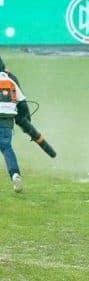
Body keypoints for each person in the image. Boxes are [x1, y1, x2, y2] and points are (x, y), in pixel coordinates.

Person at [0, 56, 28, 193]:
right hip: (6, 119)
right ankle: (15, 174)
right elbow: (22, 103)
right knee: (6, 148)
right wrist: (26, 122)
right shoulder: (10, 79)